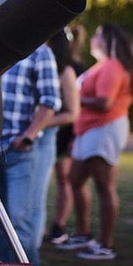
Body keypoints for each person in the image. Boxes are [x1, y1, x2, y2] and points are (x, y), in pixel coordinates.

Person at [59, 23, 133, 260]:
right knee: (75, 179)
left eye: (98, 35)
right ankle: (83, 233)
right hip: (87, 130)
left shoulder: (114, 67)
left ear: (108, 40)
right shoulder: (103, 65)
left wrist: (73, 97)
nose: (93, 39)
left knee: (104, 186)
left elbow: (104, 102)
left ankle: (106, 245)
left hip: (105, 129)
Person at [0, 43, 60, 266]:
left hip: (20, 150)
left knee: (19, 218)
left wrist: (29, 135)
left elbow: (50, 101)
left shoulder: (40, 52)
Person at [47, 25, 87, 245]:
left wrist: (74, 137)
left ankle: (59, 224)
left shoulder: (73, 69)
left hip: (64, 132)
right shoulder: (44, 64)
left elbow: (77, 109)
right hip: (44, 132)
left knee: (64, 179)